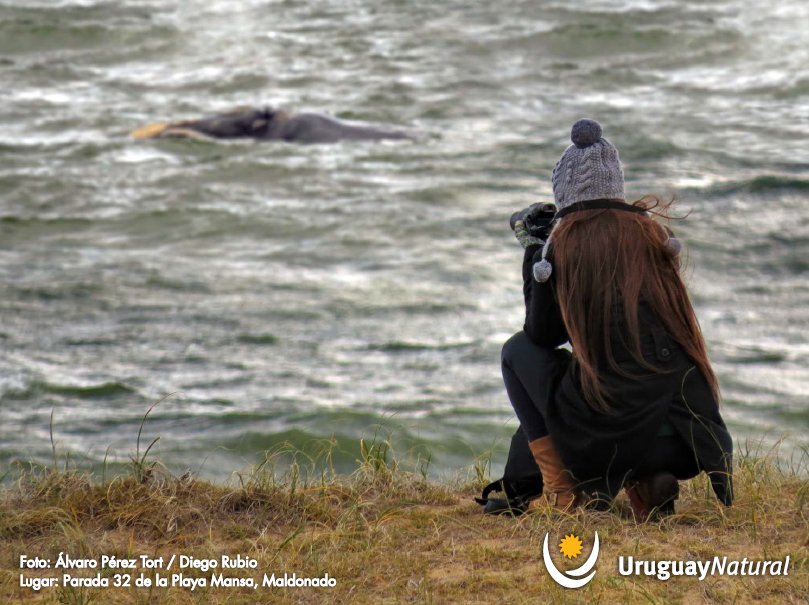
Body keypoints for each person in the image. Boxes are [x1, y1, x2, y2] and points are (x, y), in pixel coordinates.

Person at [501, 118, 733, 519]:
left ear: (564, 193)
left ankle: (564, 490)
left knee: (516, 351)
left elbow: (542, 336)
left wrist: (533, 249)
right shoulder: (653, 235)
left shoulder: (563, 245)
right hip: (685, 440)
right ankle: (648, 479)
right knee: (627, 378)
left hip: (606, 443)